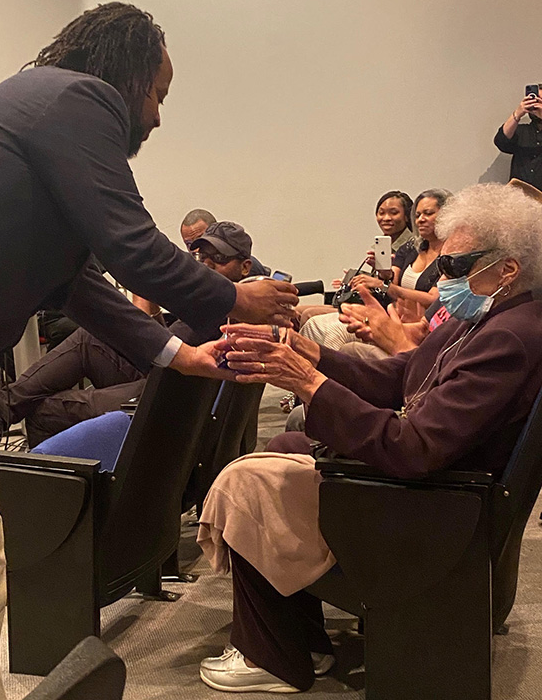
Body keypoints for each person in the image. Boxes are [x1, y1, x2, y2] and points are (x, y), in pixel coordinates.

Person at [0, 2, 297, 700]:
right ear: (128, 72)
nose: (159, 115)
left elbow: (81, 282)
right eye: (159, 93)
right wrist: (235, 299)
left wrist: (177, 353)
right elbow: (133, 248)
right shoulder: (81, 97)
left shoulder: (32, 104)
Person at [195, 183, 542, 694]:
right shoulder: (488, 315)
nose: (442, 280)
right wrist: (311, 356)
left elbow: (413, 448)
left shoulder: (511, 338)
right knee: (286, 448)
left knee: (246, 481)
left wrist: (308, 385)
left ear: (507, 268)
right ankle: (300, 637)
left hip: (436, 510)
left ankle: (274, 658)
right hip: (436, 489)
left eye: (453, 267)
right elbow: (402, 378)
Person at [0, 221, 256, 446]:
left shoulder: (223, 306)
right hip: (165, 381)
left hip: (163, 401)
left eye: (219, 260)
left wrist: (145, 306)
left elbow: (170, 356)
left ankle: (71, 499)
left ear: (245, 267)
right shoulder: (215, 301)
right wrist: (150, 310)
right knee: (89, 338)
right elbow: (170, 350)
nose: (207, 267)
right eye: (203, 258)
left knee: (43, 412)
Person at [301, 188, 450, 352]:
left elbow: (432, 298)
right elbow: (390, 282)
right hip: (393, 315)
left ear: (447, 216)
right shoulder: (411, 247)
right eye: (418, 215)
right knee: (313, 324)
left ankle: (324, 376)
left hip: (413, 325)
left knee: (335, 332)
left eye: (428, 214)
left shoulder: (451, 256)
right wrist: (383, 275)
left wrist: (383, 285)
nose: (421, 220)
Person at [298, 189, 414, 328]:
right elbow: (379, 281)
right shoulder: (383, 244)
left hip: (384, 309)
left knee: (308, 314)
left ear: (407, 216)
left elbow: (390, 287)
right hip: (367, 302)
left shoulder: (410, 248)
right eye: (381, 212)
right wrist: (354, 280)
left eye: (394, 213)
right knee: (296, 312)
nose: (386, 218)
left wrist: (372, 281)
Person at [494, 86, 542, 190]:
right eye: (534, 100)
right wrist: (518, 113)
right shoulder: (521, 131)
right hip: (518, 199)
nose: (537, 104)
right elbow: (501, 142)